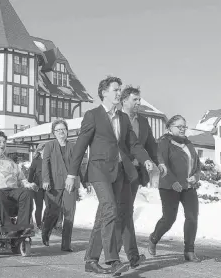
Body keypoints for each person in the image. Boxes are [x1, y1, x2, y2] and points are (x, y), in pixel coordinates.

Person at [71, 76, 155, 276]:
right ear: (104, 92)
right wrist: (71, 174)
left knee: (105, 215)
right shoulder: (93, 115)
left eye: (119, 89)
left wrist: (145, 159)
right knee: (109, 209)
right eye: (115, 89)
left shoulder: (123, 118)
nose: (119, 92)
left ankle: (91, 260)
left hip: (119, 171)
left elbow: (133, 144)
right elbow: (81, 145)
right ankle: (112, 259)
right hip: (99, 171)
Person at [116, 85, 165, 268]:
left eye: (139, 99)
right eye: (135, 99)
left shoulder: (143, 121)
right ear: (124, 100)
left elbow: (151, 145)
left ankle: (129, 256)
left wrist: (158, 162)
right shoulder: (115, 118)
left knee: (126, 212)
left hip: (135, 173)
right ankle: (115, 256)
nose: (138, 102)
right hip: (118, 171)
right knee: (120, 213)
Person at [148, 115, 201, 262]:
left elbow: (198, 166)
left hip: (188, 187)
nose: (183, 129)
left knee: (192, 217)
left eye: (184, 126)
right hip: (169, 187)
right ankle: (154, 238)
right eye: (179, 126)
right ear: (170, 128)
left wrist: (196, 177)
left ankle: (189, 250)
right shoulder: (164, 142)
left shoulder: (188, 143)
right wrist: (172, 182)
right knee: (169, 218)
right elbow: (161, 164)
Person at [41, 120, 80, 252]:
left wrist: (84, 182)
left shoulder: (73, 146)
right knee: (53, 211)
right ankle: (46, 231)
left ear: (67, 131)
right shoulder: (49, 145)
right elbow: (45, 163)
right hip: (53, 183)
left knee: (69, 212)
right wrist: (45, 180)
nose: (61, 132)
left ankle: (66, 244)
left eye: (63, 129)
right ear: (54, 133)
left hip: (70, 184)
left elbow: (77, 164)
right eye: (58, 130)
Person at [28, 143, 46, 230]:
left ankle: (45, 221)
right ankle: (39, 224)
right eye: (44, 149)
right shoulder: (36, 160)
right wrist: (29, 184)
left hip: (48, 187)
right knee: (39, 206)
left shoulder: (50, 159)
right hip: (38, 187)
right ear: (40, 150)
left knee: (50, 206)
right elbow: (31, 173)